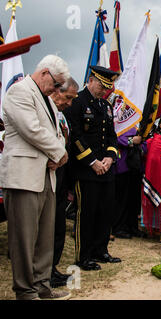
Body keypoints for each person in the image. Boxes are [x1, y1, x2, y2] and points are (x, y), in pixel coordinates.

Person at [0, 55, 71, 300]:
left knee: (44, 237)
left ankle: (42, 286)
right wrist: (59, 152)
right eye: (56, 84)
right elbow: (32, 130)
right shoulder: (19, 92)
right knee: (24, 238)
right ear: (44, 73)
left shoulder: (49, 101)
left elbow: (58, 133)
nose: (58, 90)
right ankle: (25, 290)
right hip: (23, 177)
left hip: (46, 176)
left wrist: (59, 150)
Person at [63, 65, 121, 271]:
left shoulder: (106, 105)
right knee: (87, 213)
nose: (103, 91)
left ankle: (101, 250)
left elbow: (112, 136)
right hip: (86, 169)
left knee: (105, 211)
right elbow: (75, 136)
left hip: (106, 168)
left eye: (106, 88)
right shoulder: (77, 102)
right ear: (91, 80)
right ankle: (84, 255)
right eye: (101, 86)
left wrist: (110, 157)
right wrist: (93, 162)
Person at [49, 77, 79, 288]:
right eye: (67, 98)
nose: (69, 103)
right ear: (56, 91)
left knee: (58, 224)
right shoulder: (45, 110)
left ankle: (52, 268)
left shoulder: (61, 115)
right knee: (47, 226)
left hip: (62, 177)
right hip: (47, 174)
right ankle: (44, 269)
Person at [142, 116, 161, 238]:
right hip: (158, 175)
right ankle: (155, 229)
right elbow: (153, 159)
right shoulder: (156, 140)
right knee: (158, 201)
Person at [112, 126, 143, 239]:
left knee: (133, 200)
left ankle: (132, 226)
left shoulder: (139, 125)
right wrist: (132, 141)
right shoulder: (122, 122)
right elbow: (116, 138)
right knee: (121, 199)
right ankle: (118, 227)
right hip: (123, 165)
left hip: (135, 166)